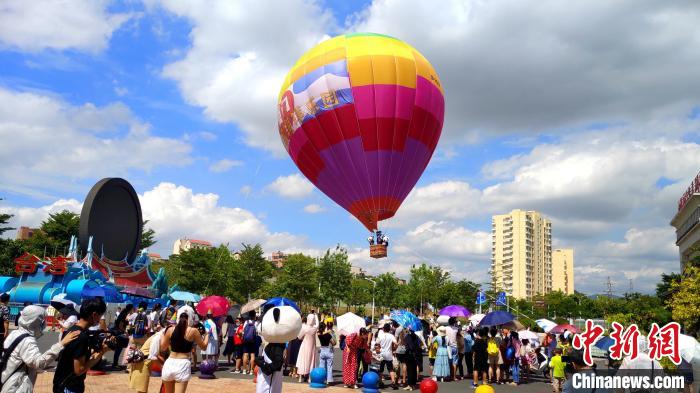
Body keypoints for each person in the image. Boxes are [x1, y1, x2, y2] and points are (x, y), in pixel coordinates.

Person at [1, 305, 79, 393]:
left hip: (6, 380)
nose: (44, 324)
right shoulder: (27, 341)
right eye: (42, 321)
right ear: (35, 322)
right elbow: (38, 363)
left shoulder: (15, 333)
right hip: (16, 387)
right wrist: (61, 344)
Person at [52, 297, 112, 393]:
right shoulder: (81, 337)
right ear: (94, 315)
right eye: (100, 316)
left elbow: (76, 355)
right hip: (69, 387)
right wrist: (102, 352)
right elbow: (79, 370)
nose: (100, 319)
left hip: (62, 383)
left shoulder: (73, 330)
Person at [159, 306, 209, 393]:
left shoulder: (170, 329)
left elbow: (163, 347)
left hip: (169, 362)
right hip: (182, 363)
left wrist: (163, 334)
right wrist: (207, 335)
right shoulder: (193, 331)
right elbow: (204, 347)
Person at [371, 323, 397, 388]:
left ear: (383, 329)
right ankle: (393, 382)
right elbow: (396, 343)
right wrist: (394, 348)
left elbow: (376, 344)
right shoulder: (391, 336)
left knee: (381, 369)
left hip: (381, 354)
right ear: (389, 329)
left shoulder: (380, 336)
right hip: (389, 354)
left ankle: (380, 382)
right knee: (390, 369)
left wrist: (377, 349)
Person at [295, 314, 318, 383]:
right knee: (311, 361)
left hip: (304, 346)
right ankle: (309, 378)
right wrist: (316, 316)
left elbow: (299, 337)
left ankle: (300, 377)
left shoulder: (304, 328)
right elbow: (317, 324)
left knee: (302, 360)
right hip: (312, 347)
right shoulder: (314, 328)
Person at [241, 311, 259, 375]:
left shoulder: (246, 322)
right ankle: (251, 370)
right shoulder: (256, 323)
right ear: (254, 316)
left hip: (246, 340)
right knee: (252, 355)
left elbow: (243, 331)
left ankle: (244, 370)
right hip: (253, 340)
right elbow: (257, 332)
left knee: (245, 354)